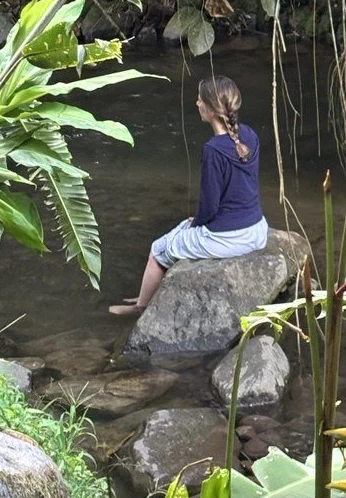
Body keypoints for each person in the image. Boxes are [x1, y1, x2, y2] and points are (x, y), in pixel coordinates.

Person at [109, 76, 268, 318]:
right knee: (182, 229)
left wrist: (197, 223)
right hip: (257, 230)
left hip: (230, 239)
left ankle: (140, 308)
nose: (196, 103)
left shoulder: (213, 150)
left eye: (200, 100)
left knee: (158, 249)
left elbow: (209, 206)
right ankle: (148, 293)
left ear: (211, 110)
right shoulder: (250, 135)